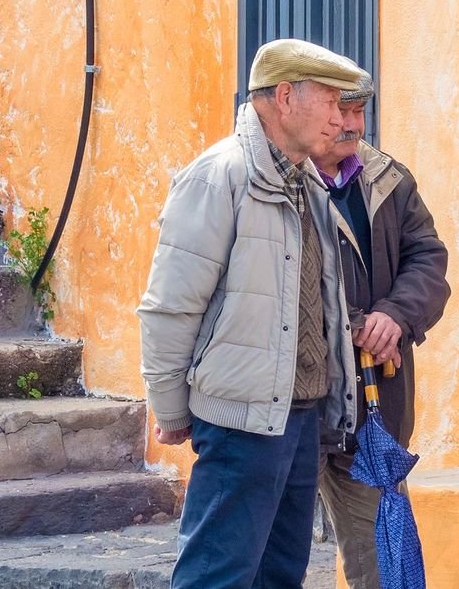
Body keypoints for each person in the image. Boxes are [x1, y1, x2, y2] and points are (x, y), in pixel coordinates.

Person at [138, 38, 364, 589]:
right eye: (330, 102)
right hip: (240, 421)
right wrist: (170, 406)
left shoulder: (306, 181)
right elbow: (170, 305)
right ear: (285, 98)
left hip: (300, 414)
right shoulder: (220, 175)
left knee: (280, 575)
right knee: (216, 577)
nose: (340, 120)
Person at [310, 71, 450, 589]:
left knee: (384, 565)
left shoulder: (388, 179)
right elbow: (274, 286)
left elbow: (428, 259)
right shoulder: (281, 183)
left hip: (370, 412)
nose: (351, 124)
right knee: (269, 558)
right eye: (340, 111)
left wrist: (395, 315)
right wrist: (355, 325)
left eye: (358, 111)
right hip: (297, 407)